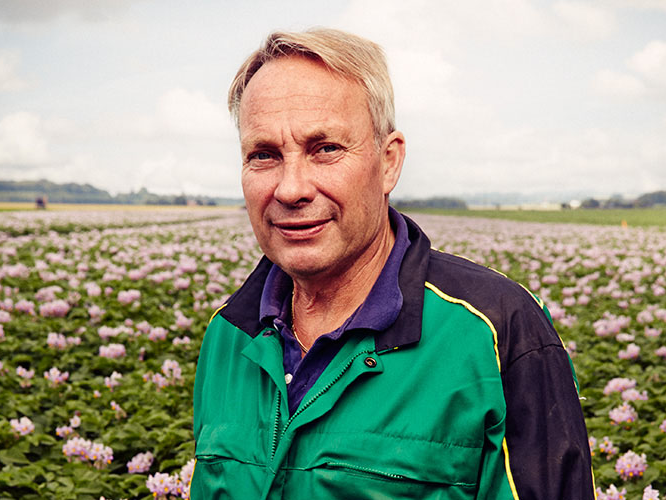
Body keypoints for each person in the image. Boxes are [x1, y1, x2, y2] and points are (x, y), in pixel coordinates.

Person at [192, 28, 595, 499]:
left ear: (388, 162)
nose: (291, 189)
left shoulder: (497, 332)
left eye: (325, 149)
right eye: (263, 155)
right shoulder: (228, 334)